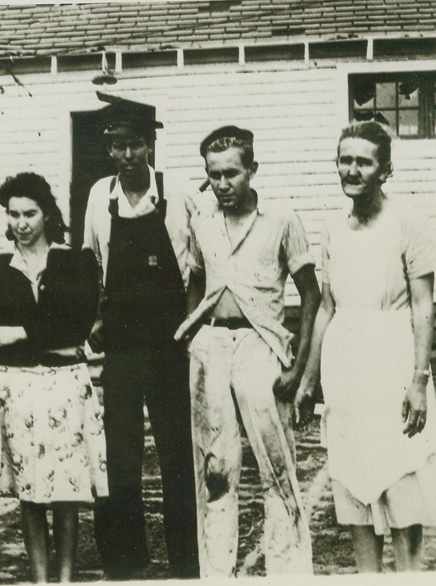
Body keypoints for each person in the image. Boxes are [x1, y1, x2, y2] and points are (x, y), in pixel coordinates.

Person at [293, 120, 436, 572]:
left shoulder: (408, 222)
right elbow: (327, 306)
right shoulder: (333, 230)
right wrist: (308, 380)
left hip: (392, 360)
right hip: (346, 371)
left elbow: (423, 306)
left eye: (363, 162)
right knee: (354, 489)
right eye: (345, 161)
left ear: (384, 170)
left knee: (403, 485)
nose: (352, 170)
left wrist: (418, 382)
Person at [174, 125, 320, 576]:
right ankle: (216, 574)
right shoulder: (201, 218)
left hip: (262, 345)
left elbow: (311, 294)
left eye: (232, 174)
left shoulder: (281, 219)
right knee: (215, 471)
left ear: (252, 170)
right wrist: (193, 336)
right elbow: (196, 280)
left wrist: (297, 368)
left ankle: (289, 573)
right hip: (211, 345)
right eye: (213, 175)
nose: (222, 184)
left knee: (276, 466)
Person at [83, 99, 200, 580]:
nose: (127, 153)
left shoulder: (179, 193)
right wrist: (93, 318)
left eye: (135, 144)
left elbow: (197, 266)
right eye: (117, 145)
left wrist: (190, 323)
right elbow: (91, 261)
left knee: (177, 448)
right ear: (109, 148)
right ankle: (125, 562)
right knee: (121, 449)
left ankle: (187, 561)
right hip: (124, 339)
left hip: (171, 338)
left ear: (150, 146)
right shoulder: (98, 196)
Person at [0, 172, 107, 583]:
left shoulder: (75, 262)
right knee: (30, 494)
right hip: (18, 389)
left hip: (66, 386)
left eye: (29, 213)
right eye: (13, 214)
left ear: (47, 214)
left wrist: (25, 331)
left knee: (66, 490)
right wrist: (49, 332)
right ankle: (39, 579)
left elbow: (80, 324)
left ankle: (65, 577)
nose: (21, 223)